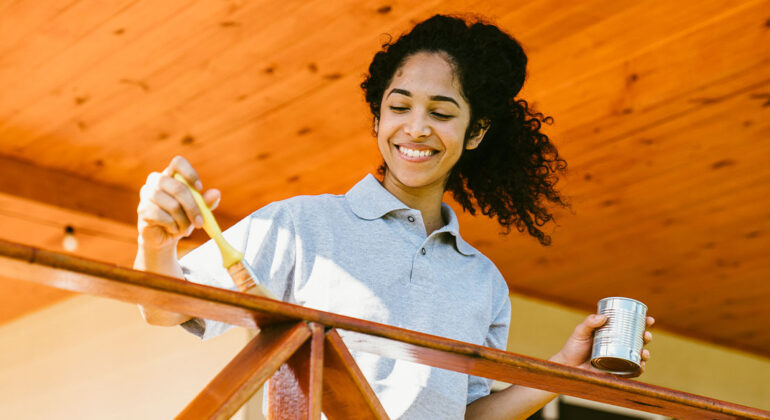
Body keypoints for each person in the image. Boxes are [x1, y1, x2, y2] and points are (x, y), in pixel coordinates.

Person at [135, 14, 653, 419]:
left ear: (475, 133)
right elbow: (165, 310)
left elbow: (466, 416)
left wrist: (565, 370)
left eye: (443, 113)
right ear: (378, 116)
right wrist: (157, 241)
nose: (416, 127)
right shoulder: (302, 224)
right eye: (399, 106)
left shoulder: (482, 281)